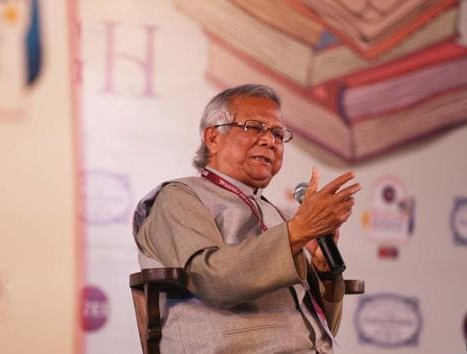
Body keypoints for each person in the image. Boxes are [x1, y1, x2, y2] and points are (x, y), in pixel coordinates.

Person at [132, 84, 361, 353]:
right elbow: (211, 281)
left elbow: (322, 332)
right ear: (213, 138)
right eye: (254, 127)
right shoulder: (179, 198)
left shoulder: (274, 214)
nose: (269, 140)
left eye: (277, 133)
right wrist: (297, 232)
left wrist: (324, 273)